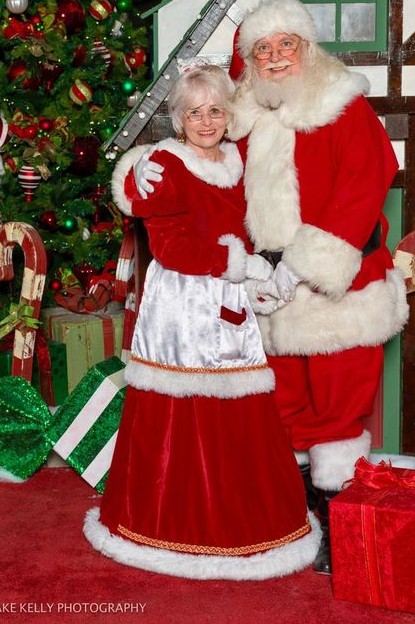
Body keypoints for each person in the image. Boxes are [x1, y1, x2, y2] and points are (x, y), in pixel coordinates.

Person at [135, 0, 409, 574]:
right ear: (250, 60)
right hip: (266, 295)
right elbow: (198, 158)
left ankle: (339, 526)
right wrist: (138, 171)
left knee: (338, 410)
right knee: (284, 410)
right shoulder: (245, 113)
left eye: (287, 44)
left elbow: (365, 187)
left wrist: (305, 261)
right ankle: (294, 515)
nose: (276, 57)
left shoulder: (345, 107)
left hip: (340, 289)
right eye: (263, 48)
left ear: (308, 48)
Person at [83, 64, 321, 580]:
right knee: (183, 414)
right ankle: (173, 529)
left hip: (228, 303)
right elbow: (169, 248)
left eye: (215, 110)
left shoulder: (238, 161)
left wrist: (257, 276)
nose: (207, 121)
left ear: (228, 113)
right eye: (195, 112)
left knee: (240, 410)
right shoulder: (164, 165)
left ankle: (241, 523)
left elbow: (250, 226)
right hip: (182, 306)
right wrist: (239, 265)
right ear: (178, 118)